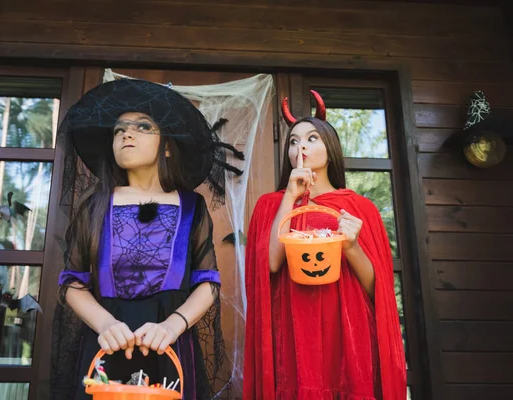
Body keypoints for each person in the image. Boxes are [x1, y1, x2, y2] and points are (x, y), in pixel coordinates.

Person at [51, 78, 240, 400]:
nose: (126, 133)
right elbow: (72, 281)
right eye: (118, 130)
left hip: (169, 343)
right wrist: (106, 325)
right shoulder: (94, 203)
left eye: (142, 127)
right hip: (107, 340)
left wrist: (173, 326)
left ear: (166, 144)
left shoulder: (192, 206)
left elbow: (207, 282)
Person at [243, 90, 406, 399]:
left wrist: (351, 246)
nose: (300, 146)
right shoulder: (270, 205)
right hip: (291, 332)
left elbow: (377, 289)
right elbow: (270, 265)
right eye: (293, 141)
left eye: (312, 138)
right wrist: (290, 196)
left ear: (331, 148)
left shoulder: (360, 208)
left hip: (348, 332)